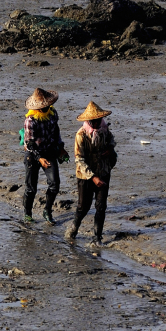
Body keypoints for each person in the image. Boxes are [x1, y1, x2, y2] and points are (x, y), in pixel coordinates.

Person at [65, 101, 117, 246]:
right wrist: (93, 177)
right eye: (93, 121)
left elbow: (112, 140)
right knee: (83, 206)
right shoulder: (81, 135)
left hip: (103, 171)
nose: (96, 123)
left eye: (98, 120)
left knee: (101, 206)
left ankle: (97, 238)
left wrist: (110, 149)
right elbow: (79, 160)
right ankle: (73, 229)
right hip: (85, 175)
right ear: (88, 121)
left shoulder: (104, 130)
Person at [22, 87, 67, 224]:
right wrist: (39, 158)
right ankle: (27, 214)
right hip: (33, 154)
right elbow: (29, 144)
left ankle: (47, 210)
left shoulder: (53, 113)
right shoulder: (30, 120)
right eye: (42, 106)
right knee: (31, 188)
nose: (45, 108)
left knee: (55, 184)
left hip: (49, 151)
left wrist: (61, 148)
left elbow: (56, 132)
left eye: (46, 105)